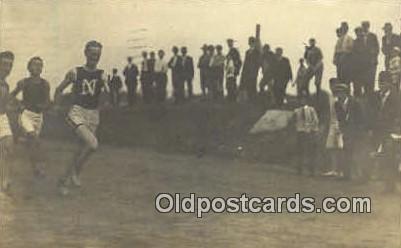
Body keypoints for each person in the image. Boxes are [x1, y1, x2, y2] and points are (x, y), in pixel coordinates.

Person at [54, 40, 109, 195]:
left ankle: (63, 181)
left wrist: (105, 100)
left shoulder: (102, 75)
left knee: (78, 150)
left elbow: (107, 95)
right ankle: (76, 172)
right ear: (85, 53)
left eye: (98, 55)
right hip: (77, 112)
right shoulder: (75, 72)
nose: (95, 57)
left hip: (93, 115)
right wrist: (56, 106)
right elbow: (59, 89)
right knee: (93, 144)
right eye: (92, 54)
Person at [10, 57, 50, 178]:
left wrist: (44, 106)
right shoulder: (24, 82)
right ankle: (40, 167)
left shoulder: (45, 84)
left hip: (38, 117)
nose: (37, 67)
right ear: (29, 67)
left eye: (40, 65)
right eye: (34, 65)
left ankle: (35, 170)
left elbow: (47, 101)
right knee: (34, 139)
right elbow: (11, 95)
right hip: (26, 114)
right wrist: (18, 104)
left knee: (32, 144)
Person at [369, 71, 400, 192]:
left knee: (391, 157)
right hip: (379, 131)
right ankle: (388, 183)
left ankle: (390, 185)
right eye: (380, 82)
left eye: (384, 82)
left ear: (390, 83)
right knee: (383, 157)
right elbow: (372, 113)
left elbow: (398, 114)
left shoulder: (397, 96)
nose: (381, 84)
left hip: (391, 131)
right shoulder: (376, 96)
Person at [334, 83, 364, 180]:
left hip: (357, 131)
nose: (338, 95)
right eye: (337, 93)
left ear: (345, 93)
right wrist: (343, 129)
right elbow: (340, 118)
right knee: (347, 152)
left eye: (340, 93)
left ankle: (360, 175)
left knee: (357, 153)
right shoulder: (337, 104)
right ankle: (347, 175)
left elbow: (361, 117)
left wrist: (358, 131)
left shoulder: (355, 102)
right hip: (346, 132)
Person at [293, 93, 319, 176]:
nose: (302, 101)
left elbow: (315, 120)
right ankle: (300, 169)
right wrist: (296, 127)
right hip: (300, 131)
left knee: (311, 150)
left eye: (304, 99)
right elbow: (294, 121)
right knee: (300, 150)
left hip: (309, 132)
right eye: (301, 99)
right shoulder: (297, 110)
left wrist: (313, 129)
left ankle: (312, 169)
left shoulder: (311, 110)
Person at [0, 51, 15, 193]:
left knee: (9, 147)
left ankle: (5, 182)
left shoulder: (6, 85)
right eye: (4, 64)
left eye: (10, 65)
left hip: (2, 118)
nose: (7, 68)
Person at [322, 78, 342, 177]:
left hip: (339, 124)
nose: (332, 87)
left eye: (334, 85)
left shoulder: (340, 97)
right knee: (332, 147)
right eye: (331, 85)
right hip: (331, 124)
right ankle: (333, 169)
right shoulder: (329, 97)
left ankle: (340, 170)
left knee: (340, 147)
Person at [239, 36, 261, 102]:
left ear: (254, 43)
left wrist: (255, 71)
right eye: (250, 42)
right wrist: (243, 72)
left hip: (253, 72)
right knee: (247, 85)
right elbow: (245, 63)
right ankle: (248, 100)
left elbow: (258, 63)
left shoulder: (257, 52)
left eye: (252, 42)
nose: (251, 44)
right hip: (246, 72)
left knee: (252, 86)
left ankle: (253, 100)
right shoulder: (247, 52)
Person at [362, 21, 380, 96]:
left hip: (371, 62)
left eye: (366, 26)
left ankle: (371, 97)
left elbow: (377, 48)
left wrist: (373, 56)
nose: (365, 27)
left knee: (371, 80)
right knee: (364, 80)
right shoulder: (360, 36)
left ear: (368, 27)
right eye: (363, 26)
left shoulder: (373, 36)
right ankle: (366, 96)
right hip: (363, 63)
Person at [351, 27, 370, 97]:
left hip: (366, 69)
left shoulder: (367, 42)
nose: (359, 34)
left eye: (360, 32)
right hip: (357, 70)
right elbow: (352, 56)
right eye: (357, 33)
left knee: (367, 89)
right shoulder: (354, 42)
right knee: (357, 89)